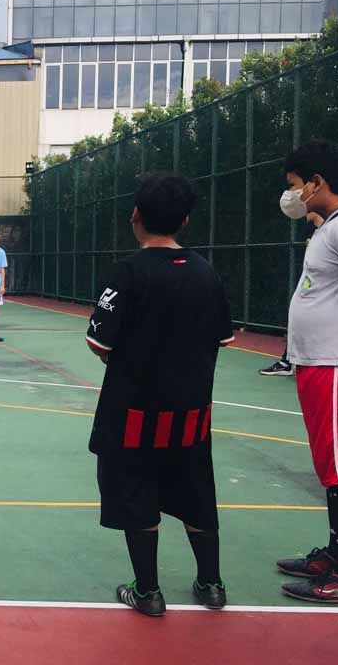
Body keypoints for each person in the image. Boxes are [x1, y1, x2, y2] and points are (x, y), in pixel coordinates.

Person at [85, 173, 234, 617]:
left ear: (135, 215)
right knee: (195, 491)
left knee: (135, 490)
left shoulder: (128, 272)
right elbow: (224, 338)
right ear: (185, 220)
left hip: (132, 411)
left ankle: (147, 591)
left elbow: (100, 343)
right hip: (189, 413)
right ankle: (211, 584)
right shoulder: (206, 272)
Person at [275, 140, 338, 605]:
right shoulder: (333, 226)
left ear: (317, 183)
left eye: (296, 186)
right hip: (321, 364)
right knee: (330, 466)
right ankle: (336, 556)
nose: (293, 196)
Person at [260, 212, 326, 376]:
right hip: (312, 281)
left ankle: (295, 361)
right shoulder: (312, 229)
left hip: (326, 286)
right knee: (301, 311)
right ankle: (288, 361)